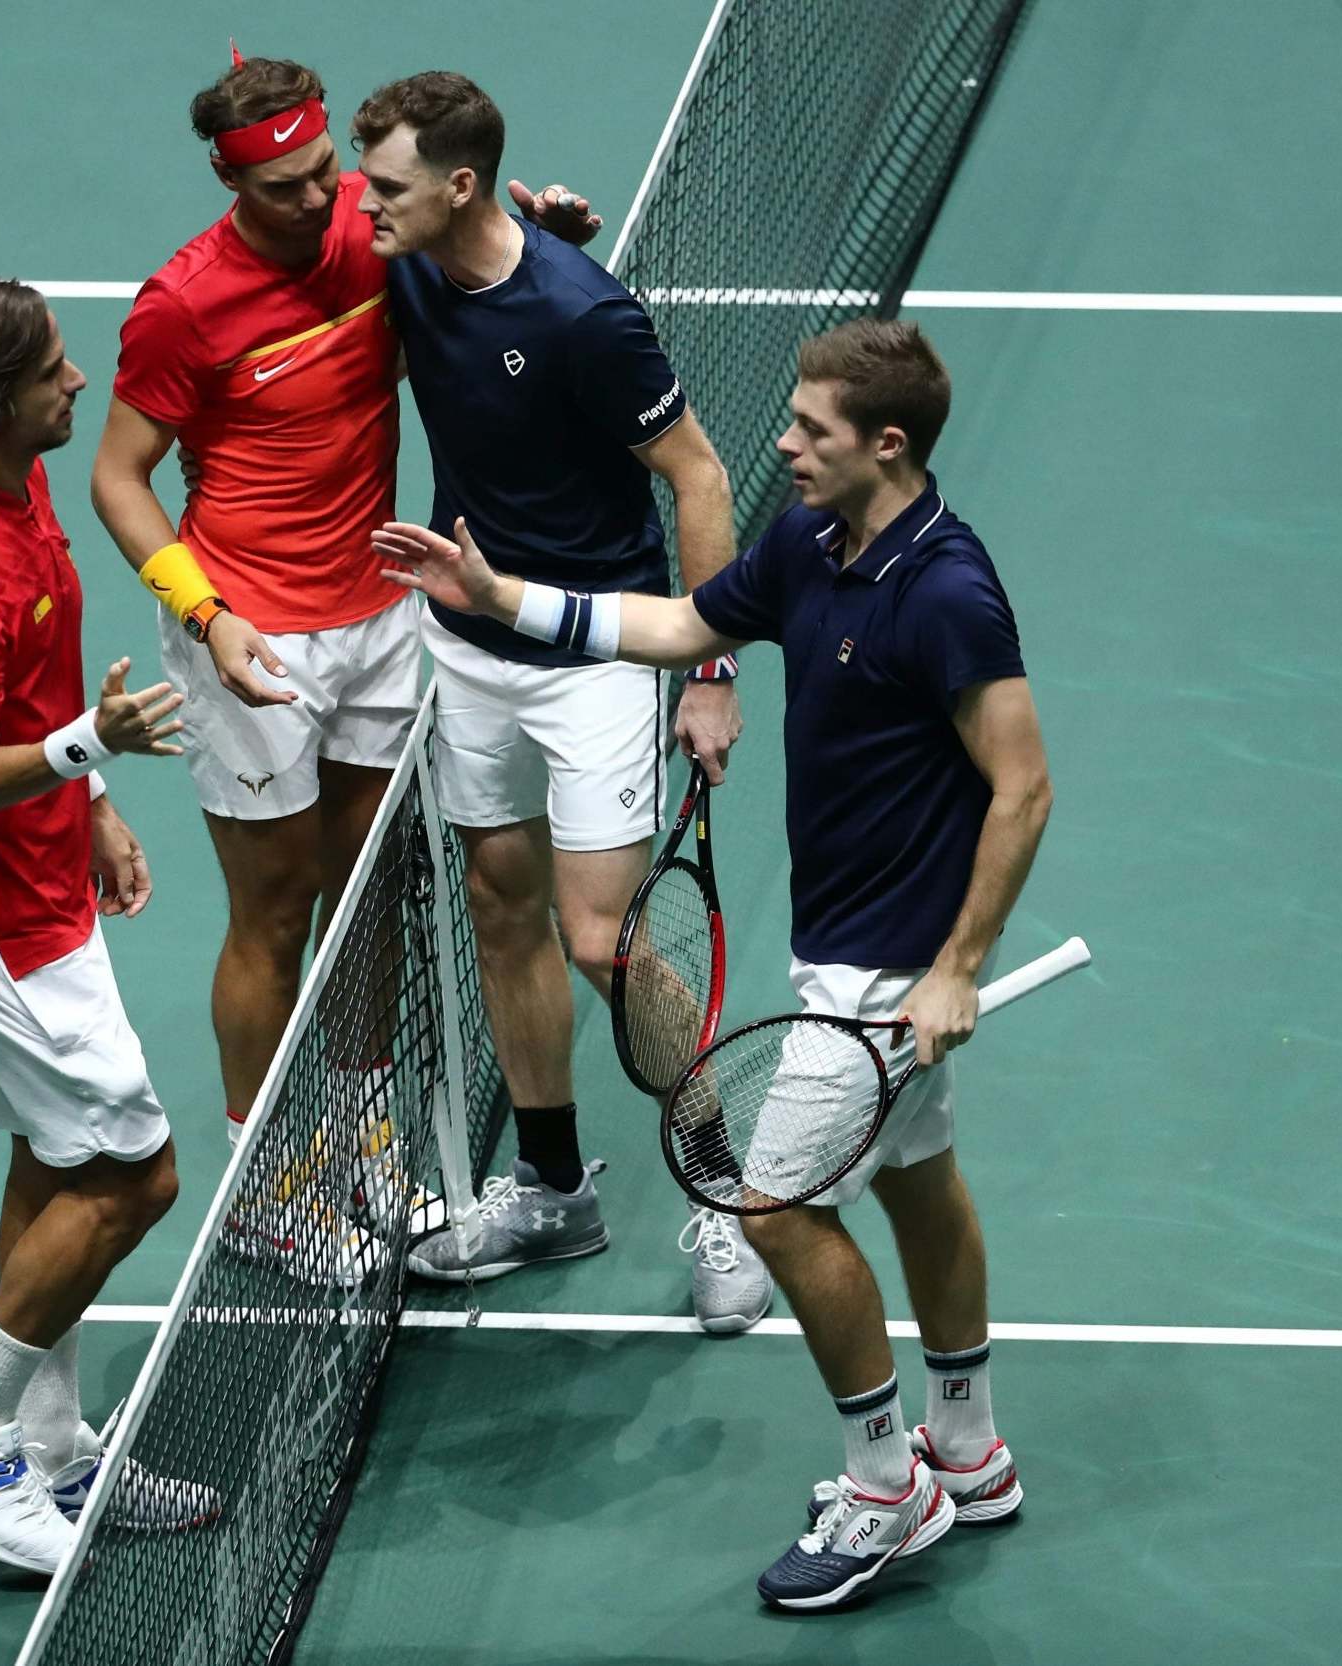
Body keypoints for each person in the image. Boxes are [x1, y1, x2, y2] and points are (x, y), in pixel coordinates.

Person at [375, 317, 1053, 1610]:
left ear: (886, 444)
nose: (783, 442)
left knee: (774, 1207)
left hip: (888, 977)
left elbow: (1022, 790)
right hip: (843, 944)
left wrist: (958, 962)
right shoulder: (810, 538)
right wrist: (503, 598)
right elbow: (683, 625)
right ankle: (964, 1447)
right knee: (916, 1181)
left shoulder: (948, 591)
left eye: (810, 427)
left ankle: (883, 1487)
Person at [90, 48, 600, 1285]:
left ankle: (364, 1133)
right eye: (287, 191)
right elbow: (118, 479)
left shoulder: (371, 237)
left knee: (366, 894)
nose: (322, 205)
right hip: (249, 631)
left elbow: (478, 262)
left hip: (379, 612)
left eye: (329, 176)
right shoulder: (182, 305)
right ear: (229, 181)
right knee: (273, 911)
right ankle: (271, 1180)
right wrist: (206, 619)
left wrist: (548, 239)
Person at [349, 71, 770, 1331]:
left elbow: (698, 476)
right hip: (466, 641)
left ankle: (723, 1192)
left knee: (601, 940)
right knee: (498, 905)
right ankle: (548, 1190)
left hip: (594, 652)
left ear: (460, 184)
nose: (363, 209)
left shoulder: (586, 317)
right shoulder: (409, 261)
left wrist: (707, 668)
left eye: (386, 187)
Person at [0, 274, 214, 1576]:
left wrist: (98, 801)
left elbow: (40, 687)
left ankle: (52, 1449)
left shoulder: (22, 488)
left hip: (45, 888)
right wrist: (89, 745)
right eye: (55, 370)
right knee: (135, 1175)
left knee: (58, 1163)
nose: (79, 384)